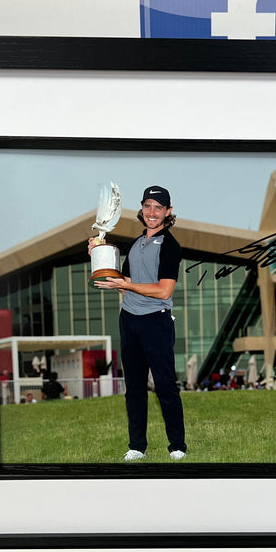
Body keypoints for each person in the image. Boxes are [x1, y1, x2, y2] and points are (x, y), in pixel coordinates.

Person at [92, 185, 188, 461]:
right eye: (147, 206)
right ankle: (137, 446)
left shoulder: (170, 245)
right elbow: (124, 286)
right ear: (142, 209)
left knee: (165, 385)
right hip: (129, 321)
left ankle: (178, 446)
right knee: (134, 387)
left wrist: (127, 283)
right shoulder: (135, 245)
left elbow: (163, 290)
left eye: (158, 208)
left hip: (156, 322)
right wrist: (98, 253)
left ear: (168, 212)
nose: (152, 212)